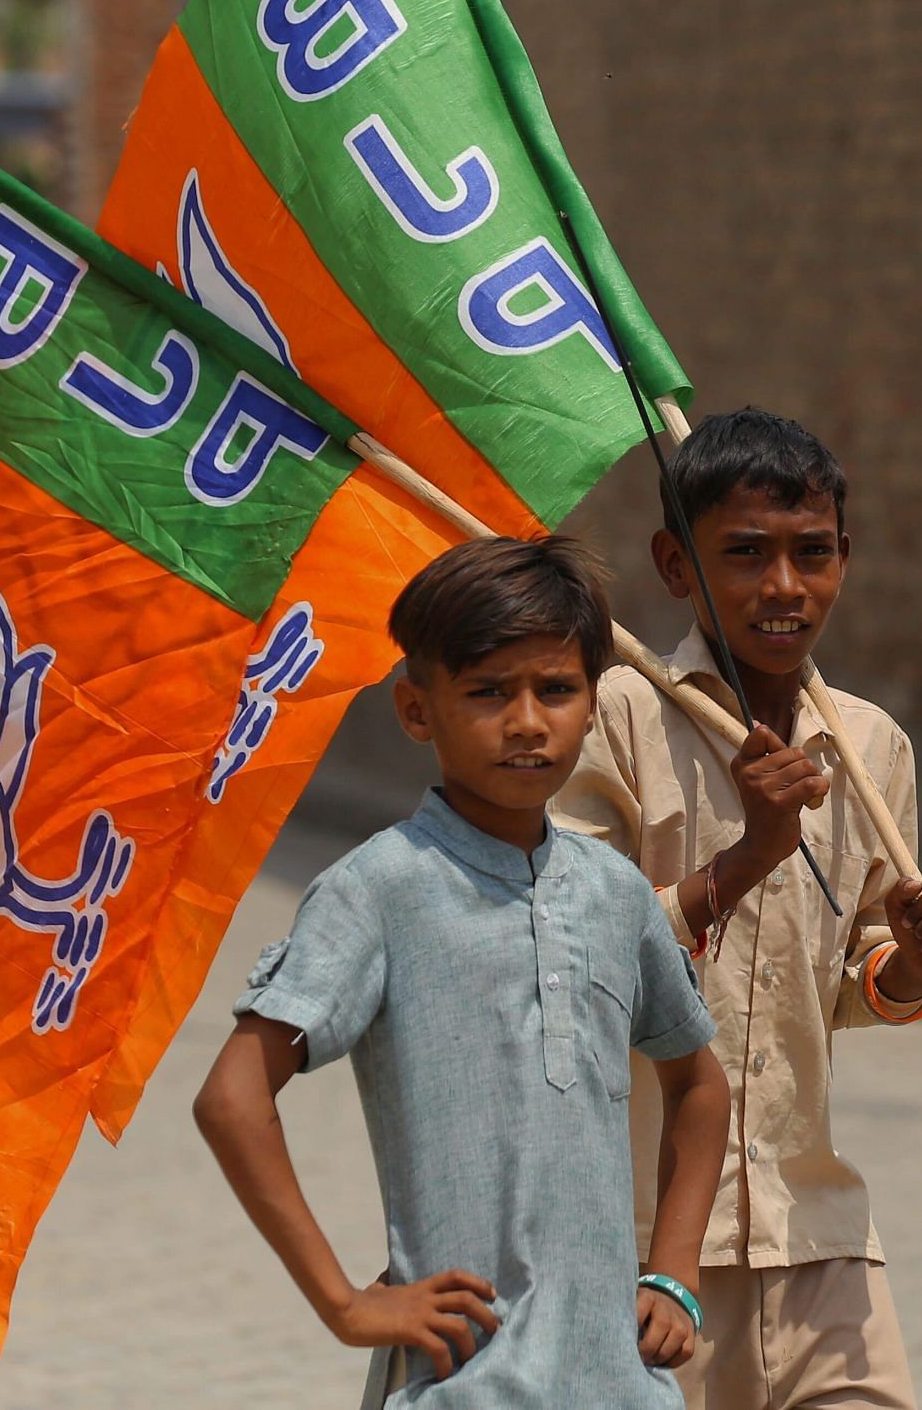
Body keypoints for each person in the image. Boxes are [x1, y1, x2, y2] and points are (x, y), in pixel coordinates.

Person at [194, 536, 733, 1407]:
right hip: (463, 1384)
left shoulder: (615, 893)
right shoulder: (379, 888)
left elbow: (699, 1090)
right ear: (417, 709)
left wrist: (673, 1271)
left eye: (556, 689)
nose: (527, 721)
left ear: (592, 704)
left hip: (620, 1385)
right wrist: (345, 1303)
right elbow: (232, 1097)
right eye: (488, 692)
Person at [554, 407, 922, 1410]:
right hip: (643, 1248)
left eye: (811, 554)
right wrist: (749, 855)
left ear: (846, 558)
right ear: (675, 566)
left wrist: (914, 965)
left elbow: (850, 985)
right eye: (743, 555)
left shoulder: (870, 748)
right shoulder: (615, 720)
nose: (783, 587)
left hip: (815, 1232)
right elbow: (578, 958)